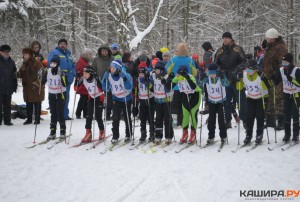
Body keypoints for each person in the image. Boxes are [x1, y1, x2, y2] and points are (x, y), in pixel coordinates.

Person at [215, 32, 247, 129]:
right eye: (223, 38)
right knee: (226, 101)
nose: (225, 40)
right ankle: (227, 120)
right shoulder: (219, 51)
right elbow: (216, 64)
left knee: (240, 100)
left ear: (231, 39)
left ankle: (245, 120)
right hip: (225, 79)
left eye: (227, 38)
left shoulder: (237, 49)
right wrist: (220, 71)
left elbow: (244, 61)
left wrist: (236, 71)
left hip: (237, 78)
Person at [236, 59, 271, 144]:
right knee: (250, 117)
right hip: (251, 97)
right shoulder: (244, 75)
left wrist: (263, 80)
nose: (248, 71)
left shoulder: (260, 75)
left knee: (260, 116)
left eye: (250, 69)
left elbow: (268, 86)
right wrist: (238, 80)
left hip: (261, 98)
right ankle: (248, 135)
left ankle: (259, 134)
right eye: (247, 69)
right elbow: (239, 88)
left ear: (255, 69)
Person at [167, 65, 202, 144]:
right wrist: (169, 79)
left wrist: (187, 78)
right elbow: (169, 87)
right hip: (186, 96)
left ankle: (193, 133)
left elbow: (193, 87)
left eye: (179, 74)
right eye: (177, 73)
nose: (178, 75)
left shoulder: (190, 77)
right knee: (185, 114)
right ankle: (185, 133)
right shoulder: (178, 77)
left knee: (193, 114)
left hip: (195, 97)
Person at [261, 28, 287, 130]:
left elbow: (283, 62)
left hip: (277, 77)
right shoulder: (270, 47)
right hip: (268, 76)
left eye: (268, 38)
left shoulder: (280, 48)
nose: (267, 39)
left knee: (279, 98)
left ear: (273, 38)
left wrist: (277, 74)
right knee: (271, 98)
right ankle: (270, 120)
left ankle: (281, 120)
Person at [166, 42, 197, 128]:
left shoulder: (172, 60)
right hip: (187, 86)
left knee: (175, 104)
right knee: (185, 104)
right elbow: (194, 72)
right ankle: (184, 120)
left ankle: (175, 121)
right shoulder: (190, 60)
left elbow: (167, 71)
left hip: (176, 85)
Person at [102, 61, 133, 144]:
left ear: (118, 68)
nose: (111, 70)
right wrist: (105, 79)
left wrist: (125, 79)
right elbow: (105, 88)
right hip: (116, 99)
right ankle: (115, 135)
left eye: (113, 68)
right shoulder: (109, 76)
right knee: (115, 118)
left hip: (126, 98)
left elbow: (129, 87)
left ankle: (128, 134)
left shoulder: (126, 75)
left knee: (127, 117)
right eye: (111, 68)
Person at [198, 63, 229, 144]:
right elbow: (199, 83)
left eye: (213, 73)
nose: (212, 75)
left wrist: (222, 77)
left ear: (217, 72)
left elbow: (227, 84)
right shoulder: (207, 79)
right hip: (211, 101)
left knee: (221, 120)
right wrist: (201, 78)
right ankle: (211, 136)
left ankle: (223, 136)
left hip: (220, 101)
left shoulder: (220, 77)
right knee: (211, 120)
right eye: (210, 73)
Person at [272, 53, 300, 143]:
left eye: (286, 62)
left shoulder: (296, 70)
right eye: (282, 62)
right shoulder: (281, 70)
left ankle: (295, 134)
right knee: (286, 113)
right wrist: (273, 78)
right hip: (287, 93)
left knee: (295, 113)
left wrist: (292, 79)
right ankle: (287, 134)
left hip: (295, 93)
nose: (283, 64)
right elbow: (277, 81)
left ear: (290, 62)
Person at [48, 39, 75, 120]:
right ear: (58, 45)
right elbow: (51, 65)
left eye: (64, 44)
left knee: (66, 97)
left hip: (68, 79)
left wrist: (74, 73)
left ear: (66, 45)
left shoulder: (68, 54)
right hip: (59, 80)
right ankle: (58, 115)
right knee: (59, 99)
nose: (62, 45)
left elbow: (73, 65)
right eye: (61, 44)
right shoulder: (54, 52)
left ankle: (65, 115)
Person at [78, 65, 105, 143]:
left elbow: (101, 89)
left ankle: (102, 131)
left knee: (98, 116)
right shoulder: (84, 79)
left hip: (99, 98)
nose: (84, 75)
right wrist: (77, 80)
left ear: (91, 73)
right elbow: (76, 88)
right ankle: (88, 133)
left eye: (86, 73)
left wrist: (97, 79)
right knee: (88, 115)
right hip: (91, 98)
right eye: (83, 73)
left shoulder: (96, 79)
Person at [43, 55, 68, 140]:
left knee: (60, 113)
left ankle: (62, 131)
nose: (52, 64)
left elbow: (65, 84)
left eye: (54, 63)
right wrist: (42, 75)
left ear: (58, 64)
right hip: (52, 94)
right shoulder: (48, 71)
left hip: (60, 94)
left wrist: (63, 76)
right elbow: (42, 82)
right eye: (51, 63)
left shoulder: (61, 71)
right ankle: (52, 132)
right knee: (53, 113)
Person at [18, 48, 45, 125]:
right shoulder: (24, 64)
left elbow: (41, 75)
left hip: (36, 87)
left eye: (26, 55)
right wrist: (17, 74)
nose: (25, 56)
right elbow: (21, 74)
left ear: (30, 55)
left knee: (37, 104)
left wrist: (36, 84)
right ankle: (29, 119)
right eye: (24, 55)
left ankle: (37, 119)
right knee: (28, 104)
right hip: (27, 88)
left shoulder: (37, 63)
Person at [151, 60, 174, 144]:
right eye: (155, 70)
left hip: (166, 101)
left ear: (162, 70)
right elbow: (150, 84)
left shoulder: (167, 76)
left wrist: (166, 83)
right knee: (158, 119)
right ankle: (158, 136)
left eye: (158, 70)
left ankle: (168, 136)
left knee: (167, 118)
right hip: (157, 100)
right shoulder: (153, 76)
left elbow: (169, 89)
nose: (156, 71)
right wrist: (148, 83)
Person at [132, 65, 155, 142]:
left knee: (150, 118)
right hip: (142, 100)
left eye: (142, 74)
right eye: (140, 74)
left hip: (149, 100)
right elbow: (135, 91)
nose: (141, 75)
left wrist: (148, 83)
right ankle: (143, 133)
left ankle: (152, 133)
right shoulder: (137, 80)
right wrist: (134, 88)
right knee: (142, 118)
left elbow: (152, 88)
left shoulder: (149, 79)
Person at [93, 44, 114, 120]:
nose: (104, 52)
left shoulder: (112, 59)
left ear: (108, 51)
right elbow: (93, 69)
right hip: (99, 81)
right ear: (100, 51)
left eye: (105, 51)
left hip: (110, 82)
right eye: (102, 51)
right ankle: (97, 115)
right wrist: (94, 76)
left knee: (109, 100)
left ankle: (107, 115)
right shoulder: (96, 59)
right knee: (99, 99)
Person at [0, 45, 17, 126]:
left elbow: (15, 76)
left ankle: (7, 121)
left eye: (8, 52)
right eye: (4, 52)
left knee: (7, 105)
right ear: (1, 52)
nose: (6, 53)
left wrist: (14, 86)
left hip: (8, 87)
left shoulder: (12, 62)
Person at [75, 48, 93, 119]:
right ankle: (78, 113)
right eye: (90, 54)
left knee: (86, 98)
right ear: (86, 54)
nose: (91, 56)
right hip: (82, 83)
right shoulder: (81, 61)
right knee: (83, 98)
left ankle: (85, 113)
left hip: (86, 82)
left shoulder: (85, 61)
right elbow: (79, 72)